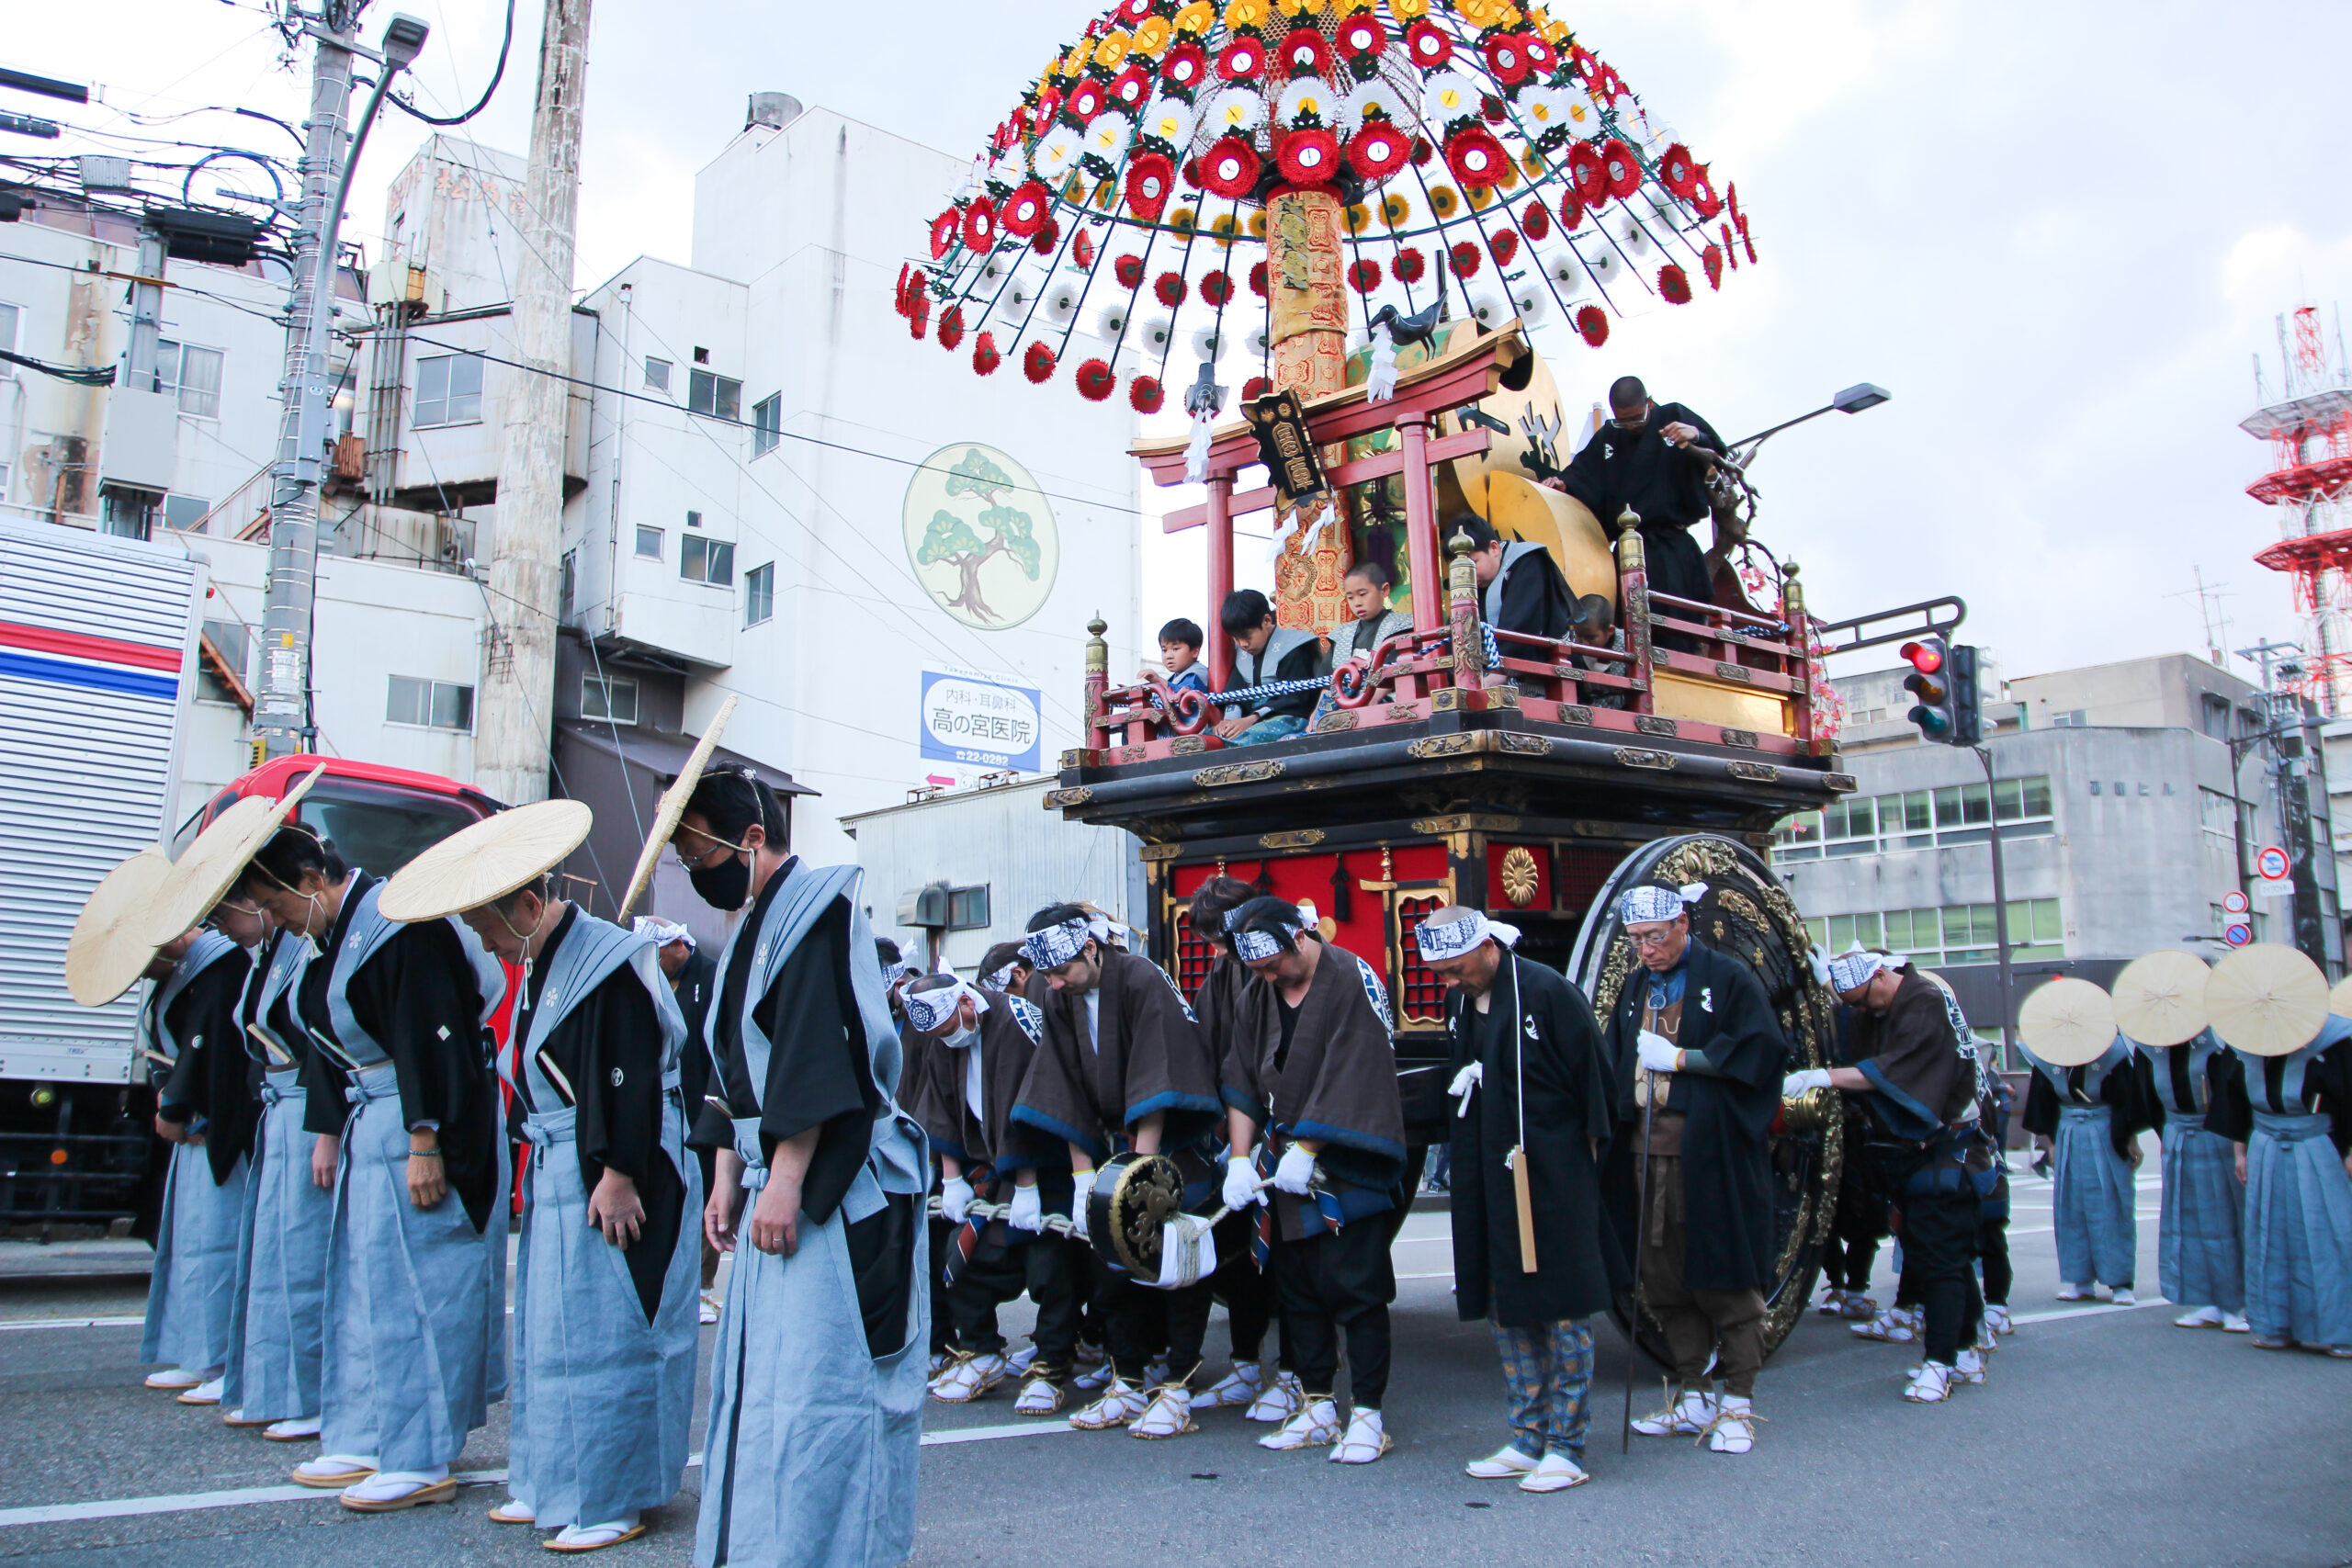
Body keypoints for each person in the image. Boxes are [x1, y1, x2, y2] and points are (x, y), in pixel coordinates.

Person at [387, 804, 701, 1553]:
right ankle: (553, 1476)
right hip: (565, 1160)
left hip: (615, 1162)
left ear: (528, 906)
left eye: (490, 929)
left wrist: (620, 1171)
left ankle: (612, 1493)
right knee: (553, 1332)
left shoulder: (606, 959)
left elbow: (629, 1074)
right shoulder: (542, 960)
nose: (487, 944)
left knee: (611, 1332)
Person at [675, 763, 928, 1568]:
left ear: (751, 837)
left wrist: (784, 1181)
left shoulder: (815, 910)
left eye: (700, 854)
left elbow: (816, 1052)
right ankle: (765, 1548)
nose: (696, 873)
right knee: (769, 1387)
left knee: (825, 1387)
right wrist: (727, 1173)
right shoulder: (757, 923)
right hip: (774, 1169)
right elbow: (732, 1066)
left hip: (830, 1183)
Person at [240, 822, 510, 1512]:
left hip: (416, 1116)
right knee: (365, 1284)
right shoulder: (333, 933)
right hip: (373, 1113)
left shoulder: (400, 924)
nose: (274, 919)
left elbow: (431, 1032)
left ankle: (419, 1453)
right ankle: (367, 1430)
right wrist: (333, 1129)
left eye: (275, 903)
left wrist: (425, 1138)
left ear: (310, 880)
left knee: (420, 1287)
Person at [1420, 906, 1621, 1494]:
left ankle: (1567, 1444)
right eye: (1442, 974)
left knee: (1562, 1306)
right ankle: (1527, 1434)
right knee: (1503, 1299)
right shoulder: (1463, 1002)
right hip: (1488, 1168)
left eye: (1456, 970)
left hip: (1552, 1171)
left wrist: (1579, 1173)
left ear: (1487, 947)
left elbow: (1595, 1088)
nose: (1450, 982)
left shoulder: (1546, 990)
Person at [1010, 902, 1223, 1437]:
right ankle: (1126, 1380)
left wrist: (1137, 1175)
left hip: (1163, 1145)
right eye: (1047, 976)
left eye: (1063, 971)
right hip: (1105, 1149)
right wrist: (1084, 1177)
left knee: (1175, 1267)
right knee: (1111, 1270)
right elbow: (1059, 1085)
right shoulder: (1056, 994)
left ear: (1091, 948)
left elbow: (1158, 1073)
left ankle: (1178, 1386)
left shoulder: (1140, 978)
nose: (1055, 984)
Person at [1219, 897, 1406, 1465]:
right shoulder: (1258, 993)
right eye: (1257, 970)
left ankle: (1369, 1415)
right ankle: (1318, 1405)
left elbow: (1359, 1070)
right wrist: (1240, 1158)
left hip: (1347, 1158)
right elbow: (1241, 1079)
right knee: (1298, 1291)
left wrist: (1309, 1147)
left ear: (1299, 938)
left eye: (1273, 964)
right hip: (1284, 1163)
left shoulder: (1352, 978)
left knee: (1358, 1291)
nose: (1267, 977)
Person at [1605, 882, 1786, 1455]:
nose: (1646, 950)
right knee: (1664, 1279)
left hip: (1709, 1153)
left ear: (1683, 923)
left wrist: (1685, 1058)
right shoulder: (1637, 985)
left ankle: (1739, 1402)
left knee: (1723, 1275)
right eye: (1636, 940)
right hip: (1645, 1151)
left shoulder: (1728, 979)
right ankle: (1693, 1391)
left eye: (1655, 937)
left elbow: (1762, 1051)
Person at [1792, 951, 1993, 1403]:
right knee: (1942, 1256)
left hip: (1947, 1150)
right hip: (1923, 1154)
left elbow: (1898, 1070)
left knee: (1940, 1261)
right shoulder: (1899, 1001)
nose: (1864, 1011)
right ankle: (1966, 1352)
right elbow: (1865, 1034)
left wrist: (1825, 1076)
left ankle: (1939, 1363)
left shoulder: (1924, 1000)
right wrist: (1831, 993)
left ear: (1881, 975)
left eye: (1863, 1001)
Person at [902, 972, 1083, 1415]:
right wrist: (951, 1179)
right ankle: (981, 1350)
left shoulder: (1014, 1021)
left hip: (1044, 1166)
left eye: (950, 1028)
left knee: (1049, 1266)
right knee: (962, 1258)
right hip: (987, 1168)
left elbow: (1029, 1106)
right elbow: (940, 1107)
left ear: (966, 1002)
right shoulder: (944, 1037)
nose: (948, 1039)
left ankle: (1051, 1365)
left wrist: (1027, 1186)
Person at [1185, 875, 1297, 1420]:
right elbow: (1211, 1046)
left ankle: (1300, 1373)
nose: (1218, 951)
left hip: (1286, 1122)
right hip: (1238, 1119)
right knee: (1237, 1253)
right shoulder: (1225, 969)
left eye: (1220, 939)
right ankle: (1247, 1362)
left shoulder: (1286, 963)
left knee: (1291, 1258)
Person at [138, 912, 258, 1404]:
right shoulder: (187, 970)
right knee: (190, 1239)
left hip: (217, 1120)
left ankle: (222, 1358)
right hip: (195, 1121)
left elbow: (208, 1045)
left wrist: (177, 1105)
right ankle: (195, 1350)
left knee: (219, 1240)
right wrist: (166, 1093)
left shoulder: (220, 963)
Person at [220, 908, 329, 1439]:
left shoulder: (308, 946)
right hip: (281, 1105)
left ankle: (310, 1393)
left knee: (305, 1255)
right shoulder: (267, 954)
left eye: (227, 911)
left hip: (308, 1107)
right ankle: (270, 1386)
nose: (221, 924)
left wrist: (328, 1128)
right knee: (271, 1253)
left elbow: (324, 1044)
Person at [2205, 962, 2351, 1356]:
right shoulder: (2242, 1038)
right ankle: (2275, 1324)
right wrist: (2240, 1150)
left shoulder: (2335, 1039)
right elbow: (2233, 1100)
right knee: (2268, 1234)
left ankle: (2341, 1328)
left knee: (2328, 1236)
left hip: (2318, 1144)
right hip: (2266, 1144)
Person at [1552, 375, 1726, 610]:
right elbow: (1582, 475)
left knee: (1677, 617)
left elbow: (1717, 453)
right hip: (1626, 549)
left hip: (1673, 548)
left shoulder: (1673, 416)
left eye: (1636, 419)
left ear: (1649, 404)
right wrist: (1564, 485)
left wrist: (1696, 436)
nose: (1631, 426)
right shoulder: (1609, 436)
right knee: (1628, 616)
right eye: (1623, 421)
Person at [2021, 1022, 2157, 1305]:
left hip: (2106, 1130)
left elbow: (2127, 1099)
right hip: (2067, 1131)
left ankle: (2120, 1281)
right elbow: (2043, 1101)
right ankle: (2079, 1279)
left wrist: (2131, 1139)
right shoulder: (2049, 1054)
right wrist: (2051, 1143)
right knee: (2071, 1208)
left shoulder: (2113, 1053)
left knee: (2112, 1206)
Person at [640, 917, 725, 1325]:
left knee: (706, 1196)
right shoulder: (650, 978)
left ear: (678, 945)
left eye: (658, 955)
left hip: (702, 1104)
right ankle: (673, 1284)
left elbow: (718, 1046)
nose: (654, 963)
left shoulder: (709, 975)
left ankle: (703, 1287)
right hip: (662, 1106)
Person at [2147, 1026, 2249, 1333]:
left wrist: (2239, 1146)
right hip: (2178, 1133)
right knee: (2187, 1220)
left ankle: (2236, 1302)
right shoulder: (2152, 1044)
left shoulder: (2218, 1042)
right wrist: (2164, 1133)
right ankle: (2205, 1298)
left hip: (2216, 1134)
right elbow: (2147, 1096)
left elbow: (2234, 1094)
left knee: (2224, 1220)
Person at [1216, 589, 1324, 746]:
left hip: (1289, 717)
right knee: (1208, 740)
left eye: (1247, 636)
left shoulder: (1293, 646)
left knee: (1242, 741)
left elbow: (1296, 699)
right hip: (1249, 721)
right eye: (1236, 638)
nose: (1243, 644)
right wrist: (1228, 722)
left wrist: (1253, 718)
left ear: (1267, 621)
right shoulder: (1241, 655)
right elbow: (1235, 693)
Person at [1450, 513, 1574, 645]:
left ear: (1494, 548)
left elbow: (1521, 628)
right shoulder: (1480, 582)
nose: (1468, 575)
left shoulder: (1529, 562)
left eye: (1473, 563)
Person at [1569, 594, 1630, 710]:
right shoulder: (1572, 642)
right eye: (1579, 635)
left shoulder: (1628, 645)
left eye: (1591, 637)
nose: (1584, 643)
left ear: (1610, 631)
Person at [1153, 617, 1211, 697]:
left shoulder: (1197, 674)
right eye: (1164, 650)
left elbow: (1186, 695)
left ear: (1195, 652)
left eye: (1175, 649)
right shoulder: (1175, 677)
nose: (1168, 656)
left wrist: (1159, 681)